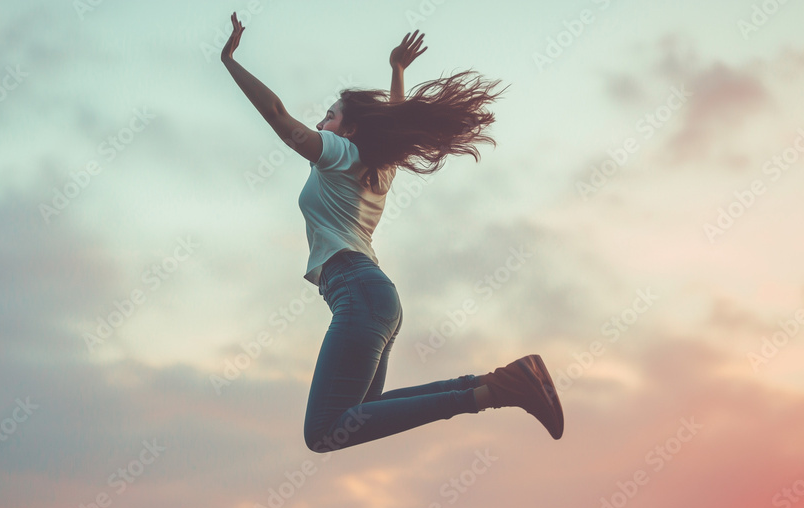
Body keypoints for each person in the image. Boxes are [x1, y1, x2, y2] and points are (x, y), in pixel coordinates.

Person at [221, 13, 563, 453]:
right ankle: (500, 383)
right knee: (361, 412)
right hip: (373, 295)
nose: (320, 123)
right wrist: (398, 71)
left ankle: (495, 391)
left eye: (329, 116)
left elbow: (277, 115)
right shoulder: (379, 167)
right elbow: (394, 128)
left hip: (358, 291)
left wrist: (230, 61)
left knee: (324, 431)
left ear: (350, 129)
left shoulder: (338, 154)